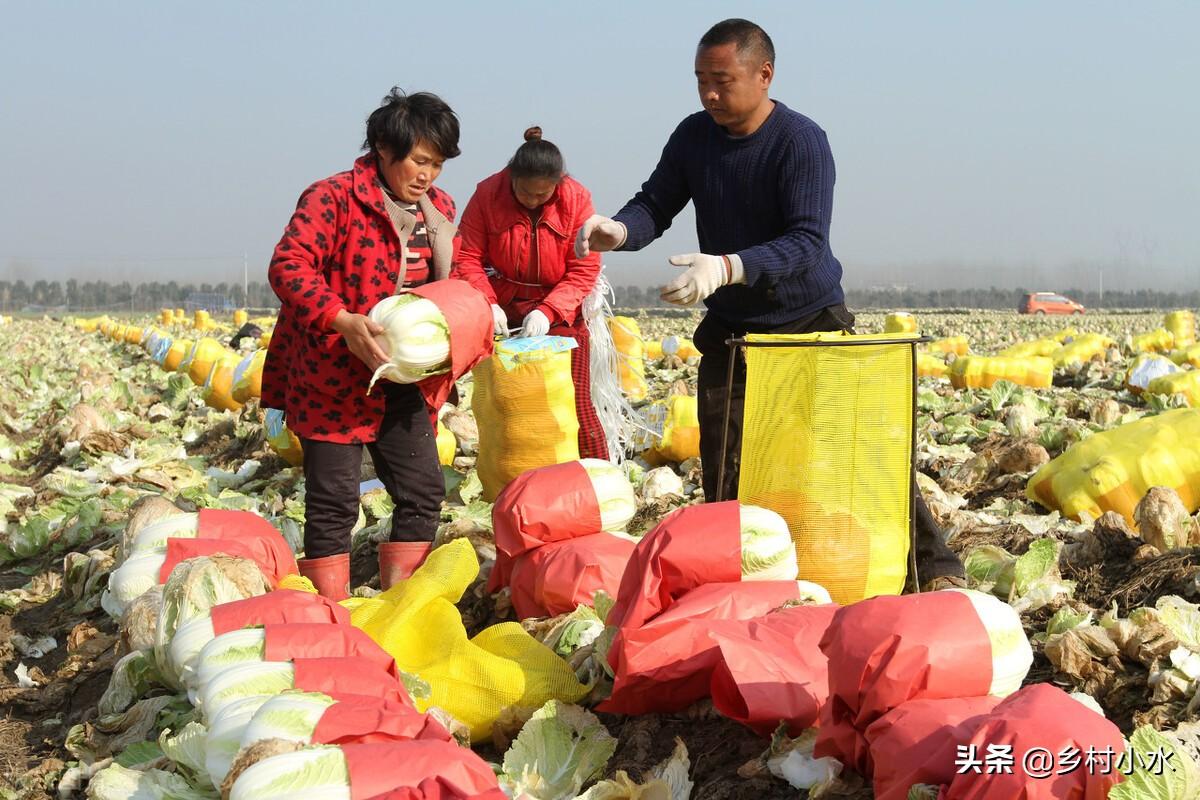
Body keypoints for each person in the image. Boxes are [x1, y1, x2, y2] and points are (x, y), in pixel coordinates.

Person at [575, 19, 965, 590]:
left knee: (855, 454)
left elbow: (807, 241)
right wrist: (622, 230)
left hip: (810, 325)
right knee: (727, 463)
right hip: (734, 333)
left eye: (722, 80)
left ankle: (934, 569)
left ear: (764, 74)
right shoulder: (693, 136)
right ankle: (737, 584)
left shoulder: (801, 141)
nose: (709, 94)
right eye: (700, 80)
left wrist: (727, 266)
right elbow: (655, 203)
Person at [261, 88, 461, 600]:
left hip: (402, 379)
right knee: (333, 504)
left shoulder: (438, 208)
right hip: (331, 378)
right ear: (381, 148)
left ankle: (400, 607)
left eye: (437, 165)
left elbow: (452, 278)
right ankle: (331, 618)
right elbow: (289, 265)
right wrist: (340, 319)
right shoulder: (331, 198)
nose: (428, 176)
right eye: (419, 161)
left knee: (423, 492)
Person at [452, 126, 608, 459]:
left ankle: (595, 476)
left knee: (573, 401)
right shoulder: (487, 195)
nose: (534, 201)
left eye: (543, 195)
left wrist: (548, 311)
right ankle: (516, 478)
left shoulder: (577, 200)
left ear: (558, 184)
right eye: (525, 193)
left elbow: (584, 269)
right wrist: (487, 302)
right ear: (511, 178)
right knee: (510, 403)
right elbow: (466, 255)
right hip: (504, 309)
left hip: (560, 308)